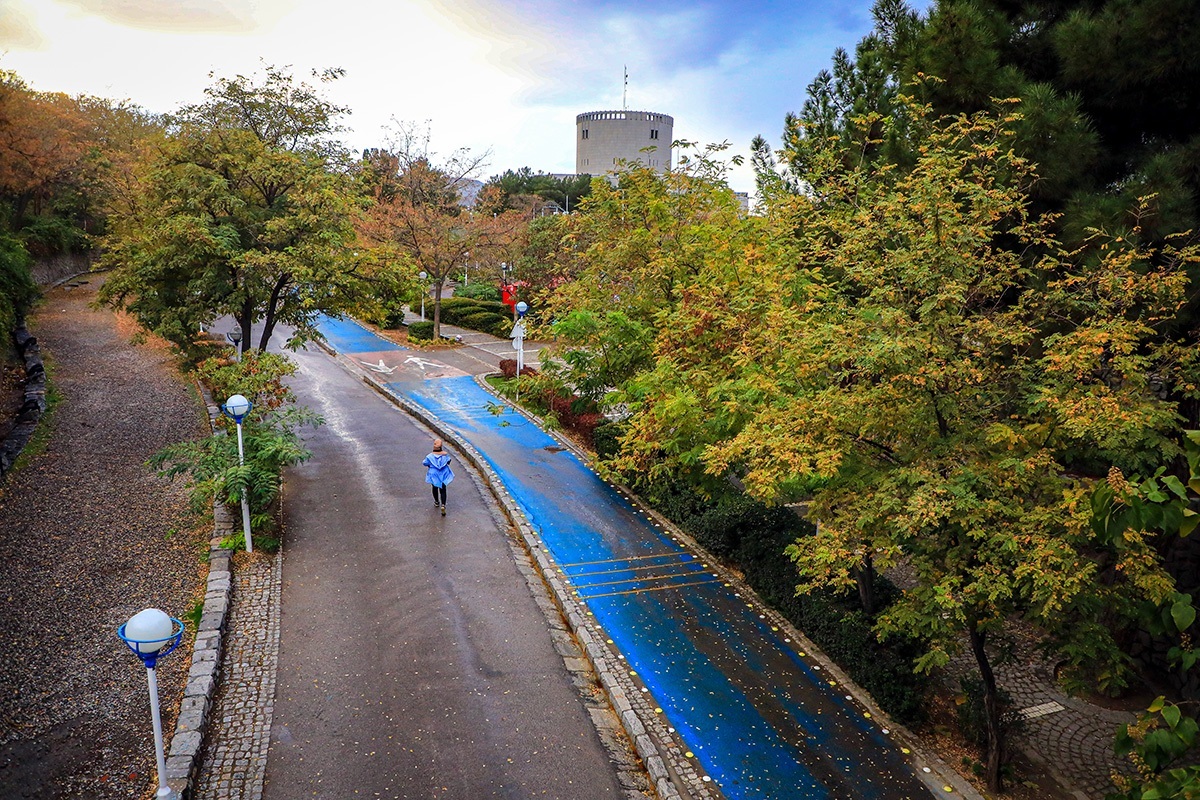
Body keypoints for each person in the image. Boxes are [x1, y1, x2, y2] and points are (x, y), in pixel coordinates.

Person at [422, 439, 454, 516]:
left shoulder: (430, 456)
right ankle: (443, 505)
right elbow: (449, 461)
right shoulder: (445, 455)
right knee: (443, 489)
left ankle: (436, 501)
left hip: (434, 473)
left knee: (434, 487)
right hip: (443, 473)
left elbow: (424, 463)